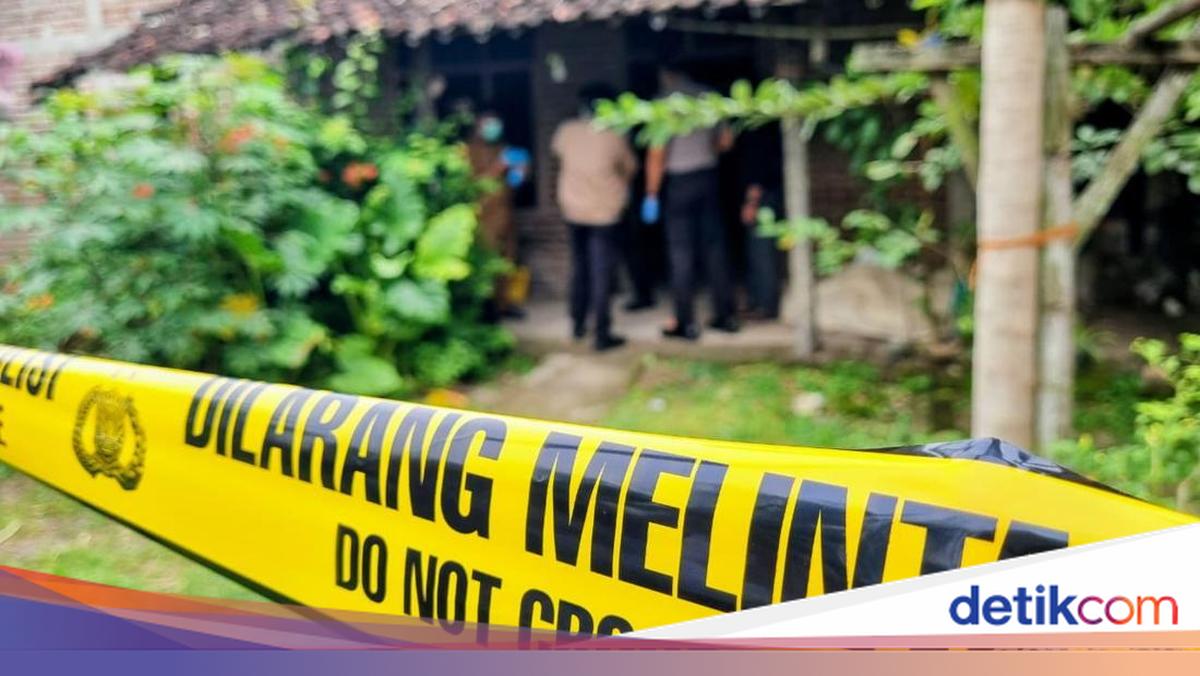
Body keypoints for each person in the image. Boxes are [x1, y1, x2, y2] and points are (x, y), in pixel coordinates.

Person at [641, 65, 738, 341]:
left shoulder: (662, 104)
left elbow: (657, 154)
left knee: (681, 252)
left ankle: (686, 322)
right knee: (715, 248)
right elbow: (726, 142)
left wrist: (651, 194)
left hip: (679, 182)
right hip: (708, 177)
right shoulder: (708, 96)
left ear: (665, 73)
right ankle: (726, 316)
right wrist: (705, 148)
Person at [551, 82, 638, 351]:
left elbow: (557, 155)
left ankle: (577, 324)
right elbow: (630, 167)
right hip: (604, 212)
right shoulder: (614, 134)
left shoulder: (566, 131)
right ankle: (601, 333)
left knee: (580, 267)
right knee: (601, 271)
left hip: (573, 209)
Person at [467, 110, 530, 320]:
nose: (493, 128)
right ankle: (486, 308)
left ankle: (505, 304)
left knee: (508, 258)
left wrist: (520, 171)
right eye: (488, 123)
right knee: (487, 260)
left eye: (496, 123)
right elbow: (472, 184)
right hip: (482, 215)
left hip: (505, 212)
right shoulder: (468, 151)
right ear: (478, 125)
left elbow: (515, 182)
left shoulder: (505, 148)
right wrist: (498, 167)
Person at [737, 123, 784, 320]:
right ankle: (759, 302)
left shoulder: (757, 133)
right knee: (761, 251)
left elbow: (758, 169)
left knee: (761, 252)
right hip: (769, 193)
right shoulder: (768, 129)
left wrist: (751, 202)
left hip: (763, 196)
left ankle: (766, 306)